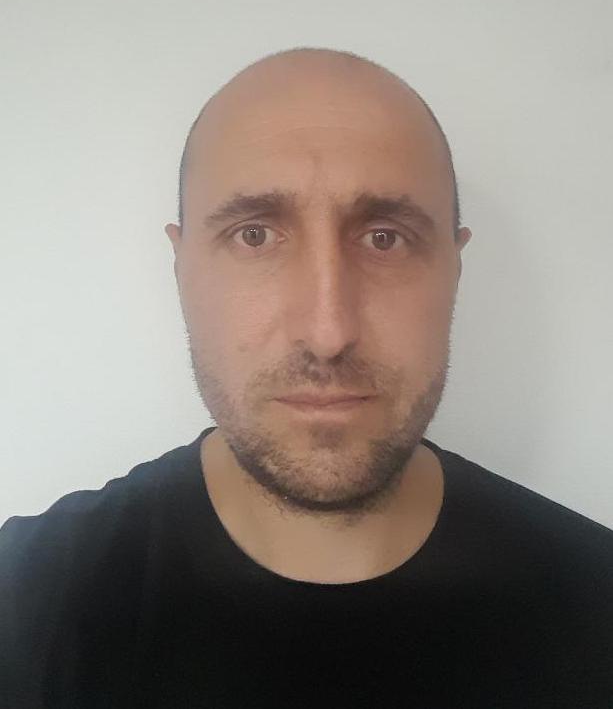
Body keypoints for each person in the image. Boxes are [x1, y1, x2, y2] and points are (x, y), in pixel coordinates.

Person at [1, 47, 611, 708]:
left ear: (454, 268)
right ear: (181, 267)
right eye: (254, 236)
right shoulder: (24, 603)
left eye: (385, 238)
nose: (328, 332)